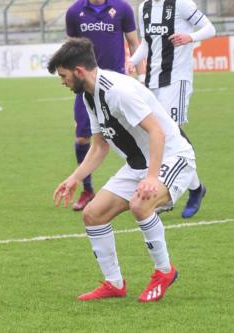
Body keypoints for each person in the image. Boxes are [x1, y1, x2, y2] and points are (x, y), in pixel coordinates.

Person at [49, 38, 196, 302]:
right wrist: (75, 178)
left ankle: (164, 271)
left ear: (79, 71)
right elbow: (99, 147)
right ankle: (114, 283)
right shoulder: (89, 96)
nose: (63, 81)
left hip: (173, 158)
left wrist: (151, 178)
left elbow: (157, 132)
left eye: (64, 75)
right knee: (93, 214)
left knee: (141, 204)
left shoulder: (118, 91)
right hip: (139, 164)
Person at [127, 0, 215, 218]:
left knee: (168, 134)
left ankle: (191, 190)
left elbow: (209, 28)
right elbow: (147, 43)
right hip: (152, 82)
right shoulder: (143, 7)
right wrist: (132, 61)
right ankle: (185, 189)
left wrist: (190, 37)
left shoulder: (182, 4)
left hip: (177, 79)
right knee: (157, 136)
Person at [65, 0, 144, 211]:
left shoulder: (122, 8)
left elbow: (134, 43)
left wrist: (142, 75)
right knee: (83, 137)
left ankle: (146, 183)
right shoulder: (74, 12)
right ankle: (87, 189)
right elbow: (70, 50)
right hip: (87, 86)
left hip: (117, 86)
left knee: (137, 133)